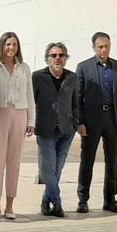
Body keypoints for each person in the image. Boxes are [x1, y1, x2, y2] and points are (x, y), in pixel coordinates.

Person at [75, 31, 117, 214]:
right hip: (91, 121)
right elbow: (78, 97)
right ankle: (83, 199)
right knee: (87, 160)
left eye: (107, 46)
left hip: (113, 120)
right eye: (100, 47)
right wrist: (80, 122)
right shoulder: (84, 67)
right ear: (93, 48)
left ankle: (110, 200)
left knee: (112, 161)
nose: (104, 50)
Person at [0, 32, 36, 219]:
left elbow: (30, 95)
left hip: (20, 114)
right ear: (2, 46)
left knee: (14, 162)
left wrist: (31, 121)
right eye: (8, 44)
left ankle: (10, 206)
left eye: (14, 44)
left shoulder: (24, 68)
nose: (11, 48)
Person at [32, 42, 78, 217]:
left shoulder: (73, 77)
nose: (58, 58)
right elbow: (31, 102)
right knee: (48, 169)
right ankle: (57, 204)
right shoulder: (37, 77)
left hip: (66, 130)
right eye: (54, 55)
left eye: (61, 55)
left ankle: (45, 201)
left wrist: (76, 122)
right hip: (45, 130)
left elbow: (76, 103)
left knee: (57, 169)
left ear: (66, 58)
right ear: (47, 59)